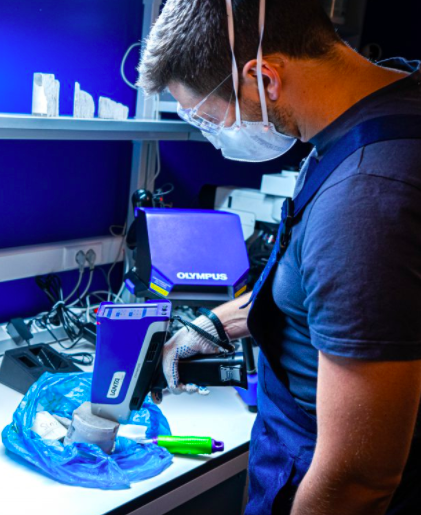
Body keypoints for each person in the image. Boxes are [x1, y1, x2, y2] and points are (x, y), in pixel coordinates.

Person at [137, 0, 421, 514]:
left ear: (264, 78)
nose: (214, 136)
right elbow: (325, 293)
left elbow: (358, 479)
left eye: (209, 118)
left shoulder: (364, 197)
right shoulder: (379, 108)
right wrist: (212, 326)